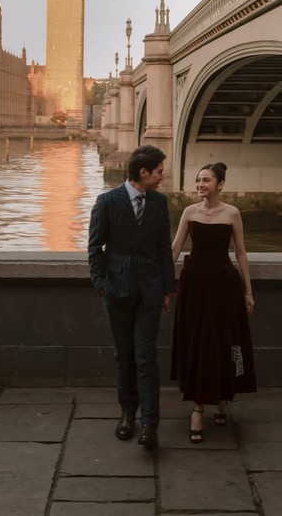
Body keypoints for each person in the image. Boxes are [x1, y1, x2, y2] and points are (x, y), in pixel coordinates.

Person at [88, 144, 176, 449]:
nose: (162, 176)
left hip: (150, 291)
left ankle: (150, 423)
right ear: (143, 172)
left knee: (146, 356)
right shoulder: (107, 201)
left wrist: (168, 289)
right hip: (117, 290)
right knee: (123, 356)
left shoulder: (159, 202)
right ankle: (127, 413)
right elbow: (94, 247)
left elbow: (163, 248)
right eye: (159, 172)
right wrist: (101, 283)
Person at [170, 162, 256, 444]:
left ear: (220, 185)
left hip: (224, 287)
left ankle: (222, 397)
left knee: (227, 343)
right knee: (198, 343)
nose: (200, 185)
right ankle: (197, 408)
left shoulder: (232, 213)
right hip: (194, 287)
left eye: (206, 180)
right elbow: (175, 249)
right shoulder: (189, 212)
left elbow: (240, 253)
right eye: (198, 180)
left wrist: (248, 292)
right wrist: (162, 285)